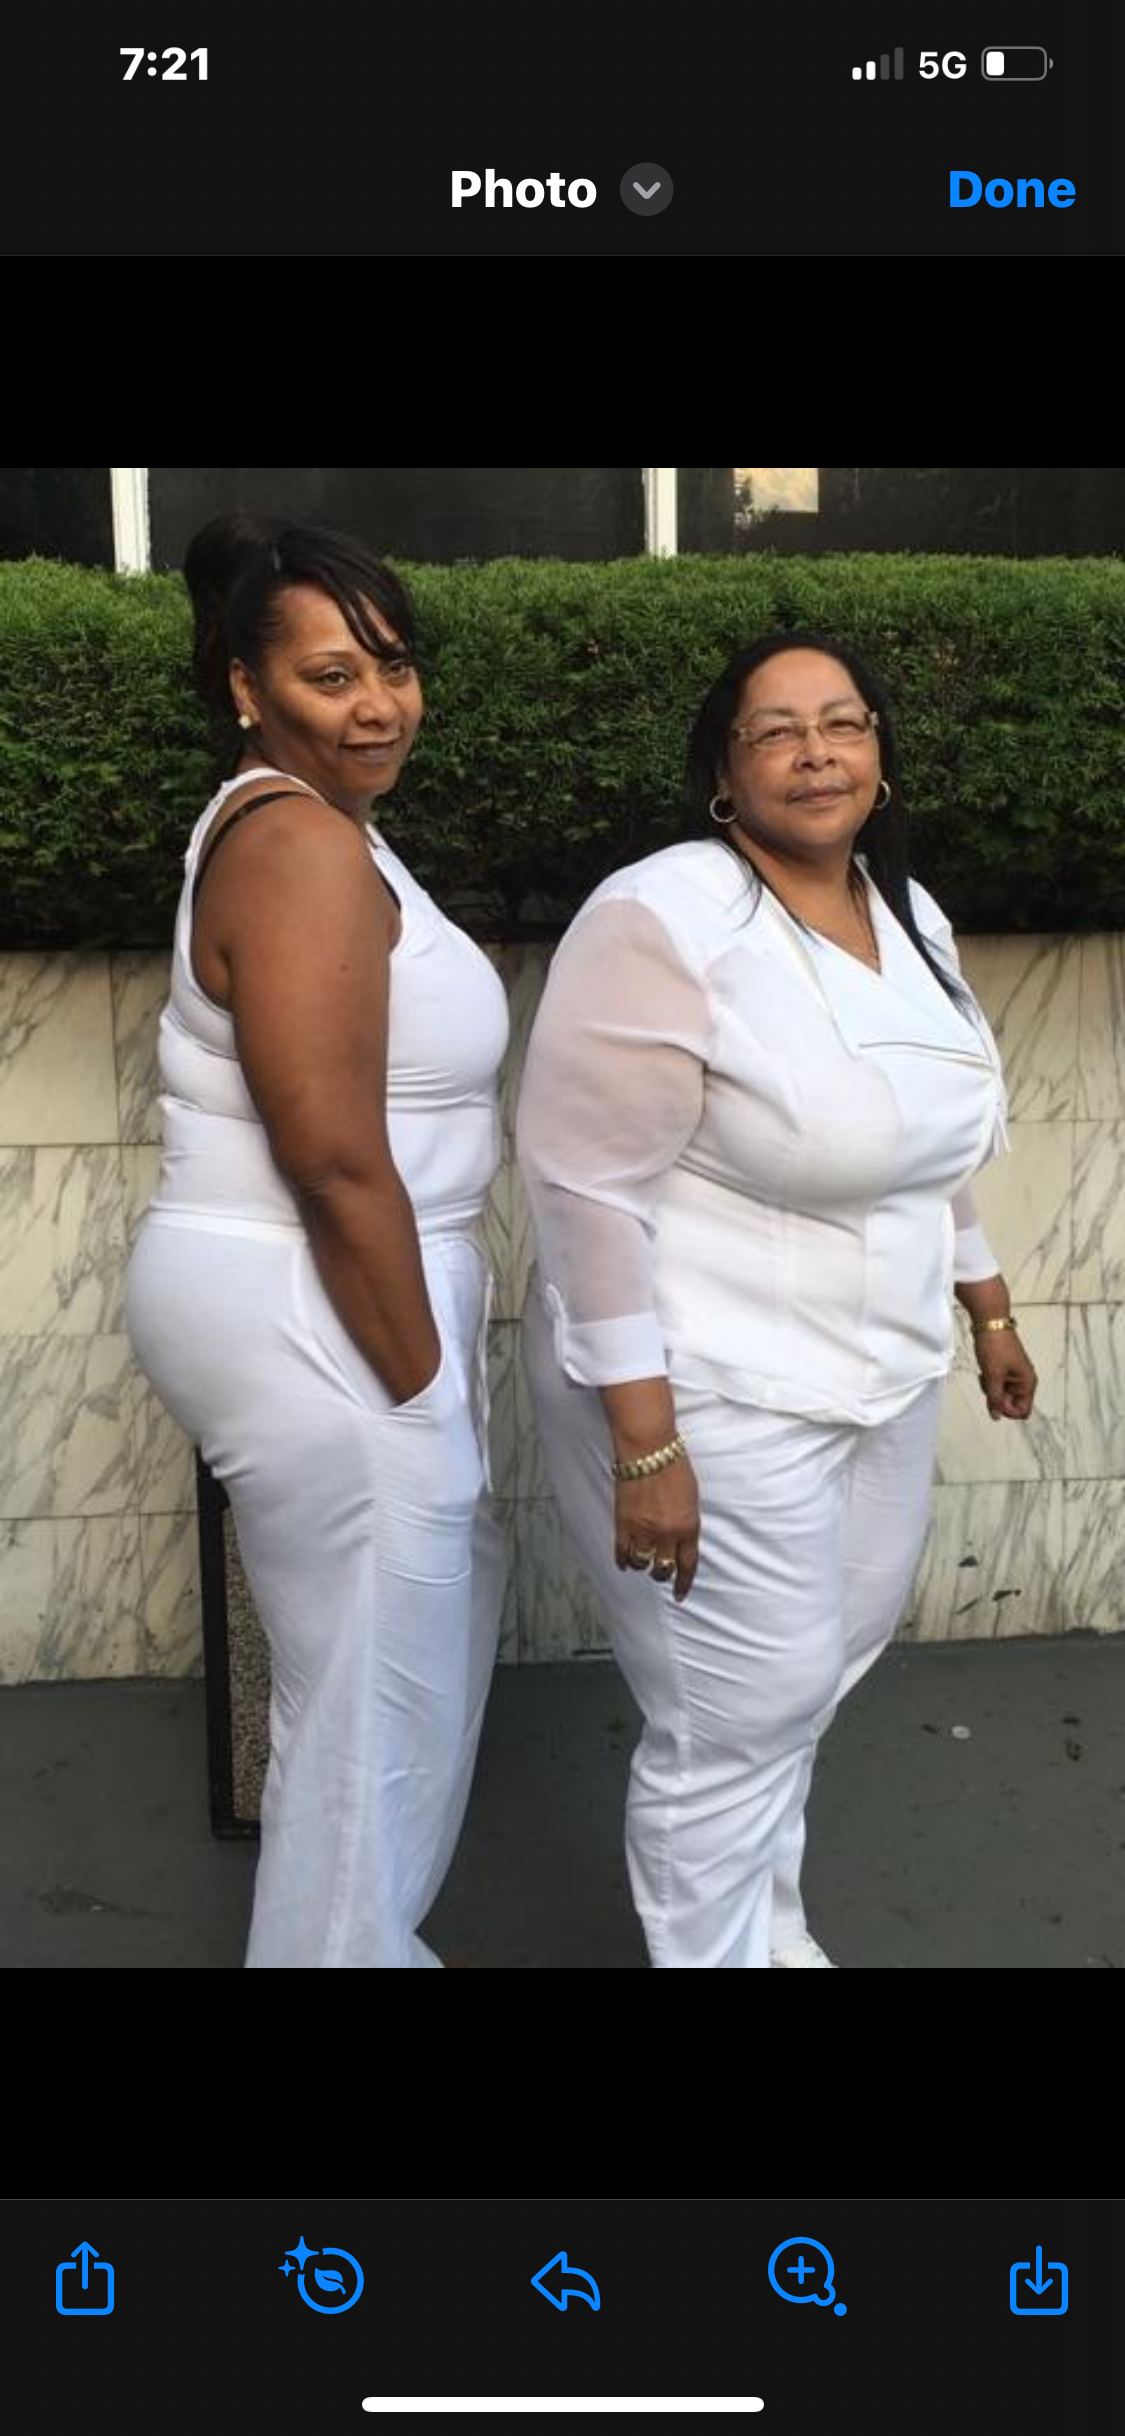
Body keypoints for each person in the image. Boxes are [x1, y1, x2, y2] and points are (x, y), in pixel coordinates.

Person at [517, 632, 1036, 1970]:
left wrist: (985, 1303)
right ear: (724, 773)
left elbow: (922, 1146)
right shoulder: (663, 919)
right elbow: (585, 1191)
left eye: (843, 723)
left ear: (879, 754)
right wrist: (647, 1443)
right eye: (777, 731)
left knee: (807, 1683)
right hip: (710, 1386)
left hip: (880, 1373)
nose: (817, 753)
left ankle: (771, 1939)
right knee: (733, 1712)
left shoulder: (906, 913)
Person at [125, 514, 509, 1967]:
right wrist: (418, 1390)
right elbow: (336, 1161)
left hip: (317, 1294)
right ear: (246, 686)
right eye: (332, 675)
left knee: (365, 1699)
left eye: (393, 667)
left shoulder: (313, 824)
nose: (378, 705)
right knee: (370, 1718)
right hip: (320, 1298)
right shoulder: (294, 843)